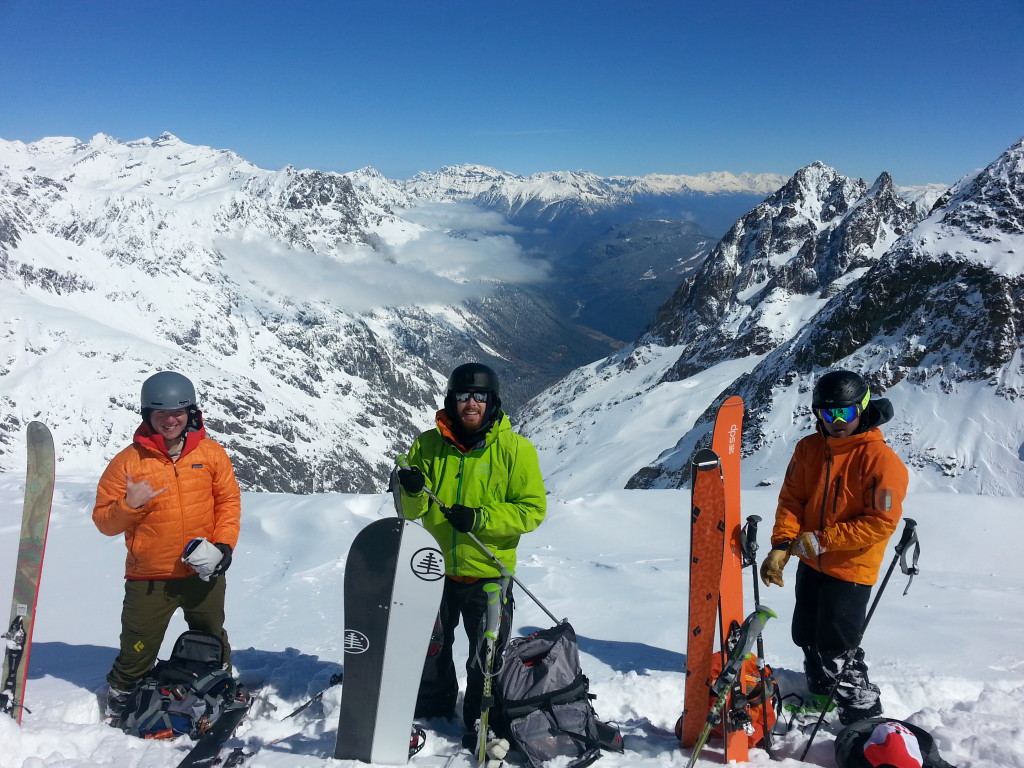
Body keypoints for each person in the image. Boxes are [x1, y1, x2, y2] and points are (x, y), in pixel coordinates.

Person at [392, 362, 547, 747]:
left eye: (480, 396)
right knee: (431, 650)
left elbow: (531, 510)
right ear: (452, 400)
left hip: (489, 572)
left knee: (486, 658)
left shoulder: (516, 450)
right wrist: (410, 489)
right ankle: (432, 707)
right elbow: (411, 512)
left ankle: (481, 719)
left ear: (493, 402)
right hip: (434, 568)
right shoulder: (427, 445)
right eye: (464, 396)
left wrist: (479, 519)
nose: (471, 403)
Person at [760, 370, 908, 726]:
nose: (837, 422)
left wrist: (821, 540)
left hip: (851, 569)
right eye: (828, 414)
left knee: (837, 646)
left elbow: (880, 522)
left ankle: (862, 717)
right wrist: (781, 544)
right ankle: (823, 694)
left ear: (863, 409)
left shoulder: (880, 461)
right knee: (806, 634)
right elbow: (792, 500)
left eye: (845, 412)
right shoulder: (809, 449)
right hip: (811, 562)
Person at [93, 371, 241, 724]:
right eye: (161, 414)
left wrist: (223, 546)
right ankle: (121, 697)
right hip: (149, 577)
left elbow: (228, 502)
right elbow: (104, 522)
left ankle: (218, 686)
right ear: (148, 416)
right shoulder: (128, 463)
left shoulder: (211, 453)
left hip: (202, 571)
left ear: (191, 413)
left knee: (210, 636)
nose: (170, 420)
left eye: (178, 413)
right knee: (137, 649)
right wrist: (130, 504)